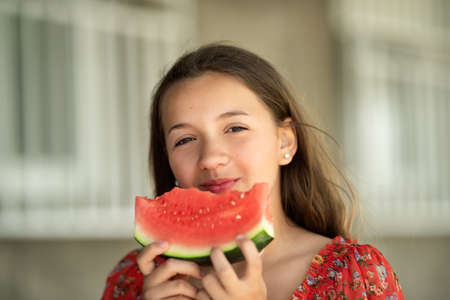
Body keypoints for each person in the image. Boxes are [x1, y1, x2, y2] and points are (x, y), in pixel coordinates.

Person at [102, 44, 405, 300]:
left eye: (235, 128)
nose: (210, 158)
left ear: (284, 142)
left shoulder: (354, 274)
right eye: (184, 140)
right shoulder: (132, 278)